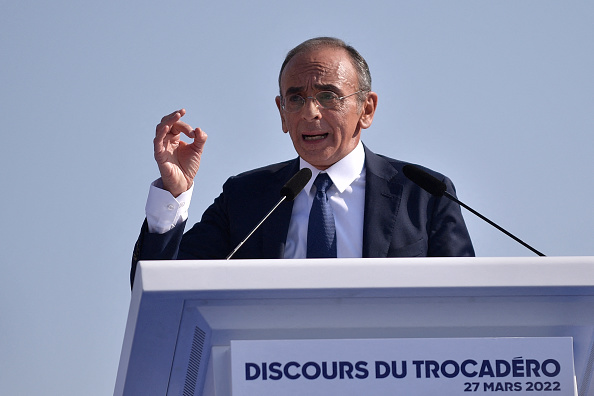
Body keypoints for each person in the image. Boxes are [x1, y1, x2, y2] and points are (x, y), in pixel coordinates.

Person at [131, 37, 474, 286]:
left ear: (366, 110)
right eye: (296, 99)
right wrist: (173, 196)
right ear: (282, 114)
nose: (310, 112)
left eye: (328, 96)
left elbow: (468, 303)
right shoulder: (246, 197)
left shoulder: (425, 194)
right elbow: (159, 289)